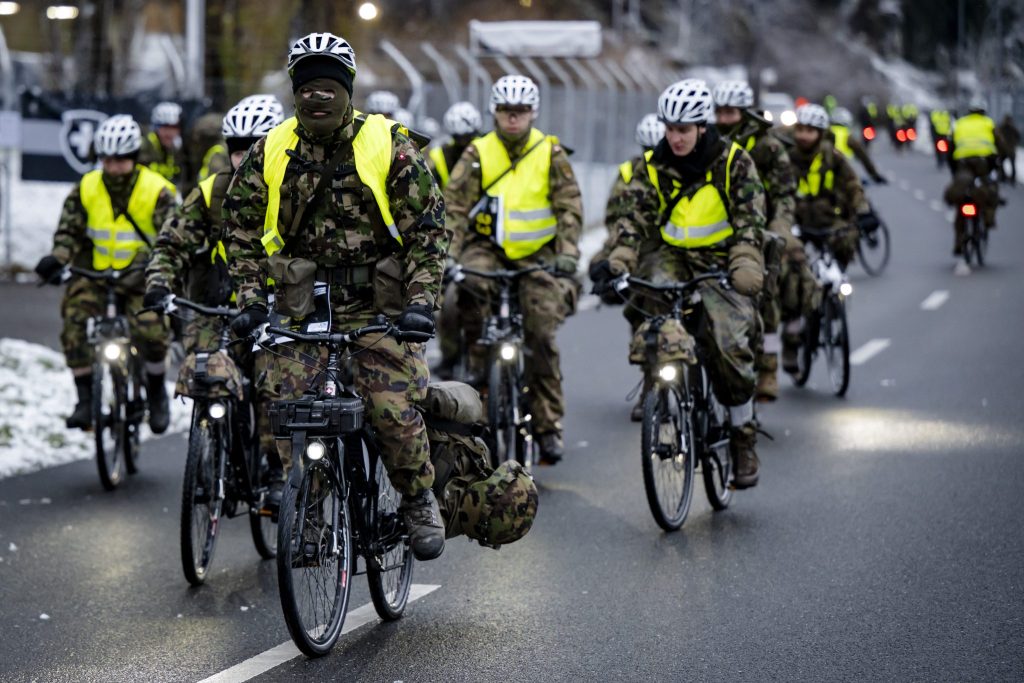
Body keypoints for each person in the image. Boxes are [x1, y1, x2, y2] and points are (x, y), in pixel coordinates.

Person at [222, 32, 449, 561]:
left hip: (380, 310)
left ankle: (417, 499)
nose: (317, 96)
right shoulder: (270, 149)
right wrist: (252, 299)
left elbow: (428, 231)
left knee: (392, 410)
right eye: (307, 86)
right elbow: (240, 229)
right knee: (291, 410)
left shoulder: (387, 144)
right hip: (302, 309)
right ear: (294, 91)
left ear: (347, 89)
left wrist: (421, 303)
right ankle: (309, 510)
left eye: (328, 85)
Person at [590, 79, 766, 488]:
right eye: (670, 129)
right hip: (670, 257)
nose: (675, 138)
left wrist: (744, 261)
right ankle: (660, 392)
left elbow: (750, 223)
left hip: (720, 260)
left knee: (729, 343)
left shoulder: (734, 162)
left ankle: (743, 437)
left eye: (684, 130)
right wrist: (617, 261)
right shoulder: (650, 166)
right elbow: (631, 222)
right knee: (652, 319)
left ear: (702, 127)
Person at [145, 94, 285, 502]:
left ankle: (276, 469)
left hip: (276, 312)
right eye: (237, 151)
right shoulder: (210, 193)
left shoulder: (295, 191)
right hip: (216, 308)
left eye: (254, 150)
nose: (244, 160)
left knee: (272, 382)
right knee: (205, 374)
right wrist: (159, 283)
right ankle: (212, 450)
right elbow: (171, 244)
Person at [444, 74, 583, 465]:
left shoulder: (550, 152)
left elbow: (570, 208)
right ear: (495, 112)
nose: (513, 118)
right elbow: (453, 207)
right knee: (470, 288)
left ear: (532, 113)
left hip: (537, 255)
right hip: (486, 250)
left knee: (540, 332)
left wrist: (567, 253)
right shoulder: (477, 152)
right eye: (506, 111)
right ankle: (478, 375)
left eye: (520, 111)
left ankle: (548, 425)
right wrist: (450, 253)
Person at [34, 115, 177, 433]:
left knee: (153, 332)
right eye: (107, 160)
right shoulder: (87, 187)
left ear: (134, 157)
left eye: (120, 160)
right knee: (74, 322)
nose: (113, 168)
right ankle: (86, 399)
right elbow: (68, 232)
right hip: (96, 275)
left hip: (140, 277)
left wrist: (160, 274)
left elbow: (172, 239)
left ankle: (156, 393)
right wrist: (57, 258)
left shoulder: (157, 190)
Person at [712, 79, 799, 403]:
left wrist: (779, 227)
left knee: (768, 300)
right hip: (717, 233)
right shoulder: (708, 142)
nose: (724, 119)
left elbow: (785, 194)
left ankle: (768, 369)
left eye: (731, 112)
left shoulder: (769, 147)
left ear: (746, 112)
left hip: (760, 232)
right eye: (720, 112)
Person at [784, 104, 876, 369]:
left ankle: (831, 300)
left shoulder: (834, 158)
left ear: (821, 133)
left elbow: (853, 187)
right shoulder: (785, 158)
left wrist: (863, 211)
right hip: (796, 223)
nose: (804, 135)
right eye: (800, 129)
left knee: (846, 241)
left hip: (828, 222)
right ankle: (791, 339)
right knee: (792, 278)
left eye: (810, 131)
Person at [429, 101, 484, 380]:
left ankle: (485, 359)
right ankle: (450, 356)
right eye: (459, 139)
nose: (465, 145)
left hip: (484, 238)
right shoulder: (439, 158)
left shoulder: (488, 153)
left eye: (469, 138)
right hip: (448, 235)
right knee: (447, 304)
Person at [945, 97, 1000, 264]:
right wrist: (1000, 164)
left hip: (963, 165)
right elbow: (1000, 146)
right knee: (989, 190)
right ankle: (988, 219)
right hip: (983, 165)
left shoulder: (960, 124)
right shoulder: (988, 123)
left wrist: (954, 171)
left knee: (961, 199)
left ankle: (958, 241)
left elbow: (950, 149)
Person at [428, 101, 483, 190]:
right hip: (449, 197)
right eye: (459, 138)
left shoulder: (485, 148)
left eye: (467, 137)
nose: (463, 143)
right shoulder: (439, 155)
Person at [830, 107, 887, 184]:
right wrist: (874, 175)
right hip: (844, 174)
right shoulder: (847, 136)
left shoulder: (825, 132)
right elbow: (863, 157)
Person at [140, 101, 184, 185]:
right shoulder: (144, 146)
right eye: (165, 127)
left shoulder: (178, 149)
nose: (170, 133)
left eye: (174, 127)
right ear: (155, 127)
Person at [996, 114, 1019, 184]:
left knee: (1004, 163)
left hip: (1005, 149)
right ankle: (1008, 178)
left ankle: (1006, 178)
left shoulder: (1001, 128)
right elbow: (1018, 137)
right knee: (1007, 164)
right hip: (1007, 150)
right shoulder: (1012, 128)